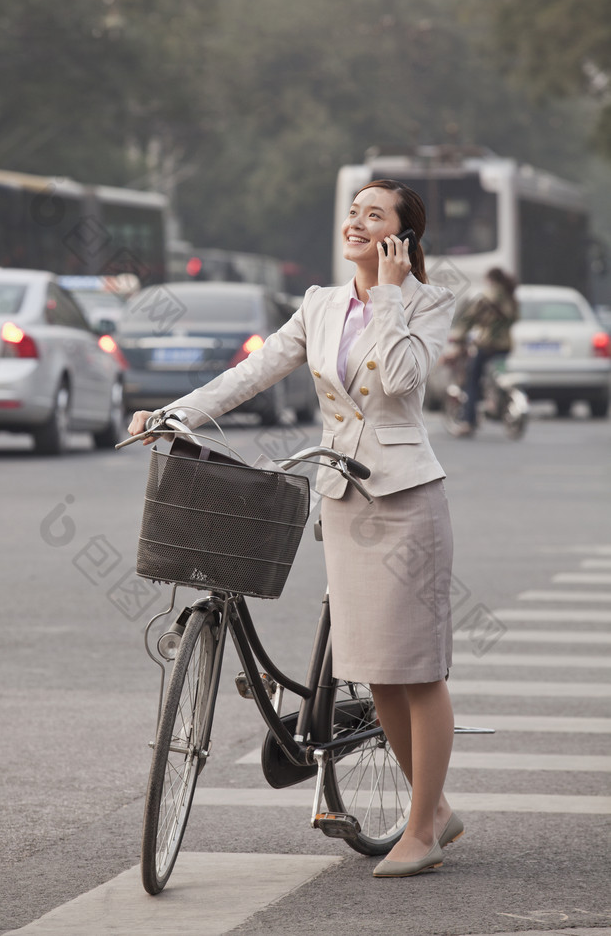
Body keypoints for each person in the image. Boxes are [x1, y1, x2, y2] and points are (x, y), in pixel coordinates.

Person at [128, 179, 460, 878]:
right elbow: (253, 372)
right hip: (342, 498)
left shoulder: (428, 303)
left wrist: (394, 291)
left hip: (405, 499)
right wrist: (175, 411)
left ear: (402, 237)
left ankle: (424, 830)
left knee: (417, 671)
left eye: (376, 216)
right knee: (375, 673)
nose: (358, 223)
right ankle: (436, 809)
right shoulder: (320, 305)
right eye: (354, 212)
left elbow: (400, 381)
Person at [449, 267, 519, 434]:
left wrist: (458, 336)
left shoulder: (487, 297)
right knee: (496, 375)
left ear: (490, 280)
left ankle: (468, 421)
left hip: (487, 345)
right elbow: (515, 318)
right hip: (506, 346)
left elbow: (470, 319)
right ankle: (496, 402)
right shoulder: (510, 296)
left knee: (471, 381)